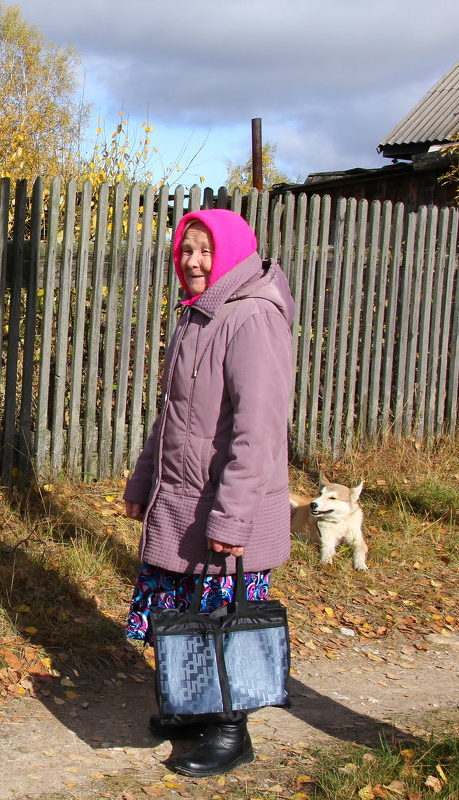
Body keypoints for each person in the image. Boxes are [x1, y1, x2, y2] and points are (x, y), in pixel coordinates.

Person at [122, 208, 295, 777]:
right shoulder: (198, 316)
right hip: (184, 497)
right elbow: (172, 418)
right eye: (186, 250)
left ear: (232, 252)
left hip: (225, 505)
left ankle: (231, 728)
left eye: (205, 250)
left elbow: (260, 428)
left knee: (222, 614)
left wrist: (234, 517)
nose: (194, 262)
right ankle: (195, 706)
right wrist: (145, 479)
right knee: (181, 611)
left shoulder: (253, 319)